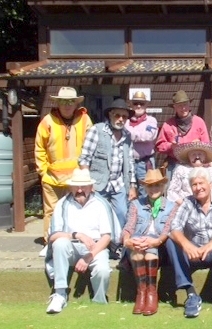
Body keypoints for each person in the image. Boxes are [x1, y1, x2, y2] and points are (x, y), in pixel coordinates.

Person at [45, 168, 120, 314]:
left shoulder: (101, 204)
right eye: (76, 186)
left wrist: (88, 257)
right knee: (59, 243)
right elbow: (53, 236)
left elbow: (106, 237)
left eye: (83, 186)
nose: (80, 190)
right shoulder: (62, 204)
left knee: (103, 270)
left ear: (91, 187)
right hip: (70, 248)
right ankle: (60, 294)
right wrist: (77, 235)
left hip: (95, 247)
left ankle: (99, 302)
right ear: (70, 187)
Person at [165, 167, 212, 318]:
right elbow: (174, 228)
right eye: (194, 185)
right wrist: (187, 245)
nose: (198, 188)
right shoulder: (188, 203)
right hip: (194, 254)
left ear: (210, 183)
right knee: (171, 242)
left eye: (201, 183)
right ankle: (191, 294)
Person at [35, 87, 93, 256]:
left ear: (76, 103)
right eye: (63, 102)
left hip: (76, 180)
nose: (67, 105)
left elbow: (91, 146)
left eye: (70, 102)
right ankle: (49, 243)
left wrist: (85, 174)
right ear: (57, 103)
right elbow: (40, 148)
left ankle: (77, 243)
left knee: (76, 210)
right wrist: (43, 172)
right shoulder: (47, 121)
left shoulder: (85, 119)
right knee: (51, 212)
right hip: (52, 178)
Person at [122, 169, 177, 316]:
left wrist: (155, 242)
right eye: (150, 186)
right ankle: (141, 292)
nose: (154, 189)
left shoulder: (172, 206)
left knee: (150, 251)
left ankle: (152, 293)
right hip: (139, 242)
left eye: (157, 185)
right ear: (145, 188)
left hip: (159, 246)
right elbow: (129, 225)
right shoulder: (136, 204)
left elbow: (167, 230)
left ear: (163, 186)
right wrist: (127, 240)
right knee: (137, 250)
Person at [79, 98, 137, 228]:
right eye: (117, 115)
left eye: (124, 116)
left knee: (122, 213)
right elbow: (84, 158)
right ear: (110, 114)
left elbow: (130, 162)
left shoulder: (127, 135)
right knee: (97, 215)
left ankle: (117, 244)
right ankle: (99, 243)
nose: (121, 119)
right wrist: (87, 183)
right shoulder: (97, 130)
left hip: (118, 183)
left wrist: (132, 186)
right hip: (98, 183)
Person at [155, 90, 209, 179]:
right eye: (180, 106)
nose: (183, 108)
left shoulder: (199, 122)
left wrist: (199, 145)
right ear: (174, 107)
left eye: (185, 104)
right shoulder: (168, 124)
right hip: (173, 165)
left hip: (195, 165)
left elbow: (206, 145)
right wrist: (171, 146)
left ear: (189, 105)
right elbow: (159, 146)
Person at [166, 141, 212, 205]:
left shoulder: (210, 171)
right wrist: (183, 204)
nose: (197, 157)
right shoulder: (181, 170)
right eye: (193, 154)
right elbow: (172, 192)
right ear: (188, 157)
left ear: (205, 156)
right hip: (185, 206)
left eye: (200, 154)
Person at [125, 91, 159, 200]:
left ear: (146, 105)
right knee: (128, 191)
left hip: (145, 163)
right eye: (135, 103)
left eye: (141, 103)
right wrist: (137, 134)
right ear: (131, 105)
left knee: (147, 192)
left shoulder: (151, 120)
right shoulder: (125, 120)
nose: (138, 106)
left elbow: (148, 136)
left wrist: (129, 133)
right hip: (127, 163)